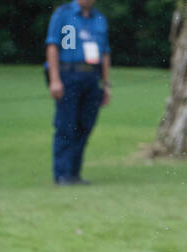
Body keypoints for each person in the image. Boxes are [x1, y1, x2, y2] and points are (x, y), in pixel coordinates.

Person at [45, 0, 112, 185]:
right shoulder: (63, 14)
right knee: (66, 125)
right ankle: (62, 174)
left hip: (92, 77)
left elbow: (105, 52)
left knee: (85, 125)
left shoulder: (99, 18)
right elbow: (53, 46)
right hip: (69, 74)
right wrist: (55, 79)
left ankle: (74, 173)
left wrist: (106, 84)